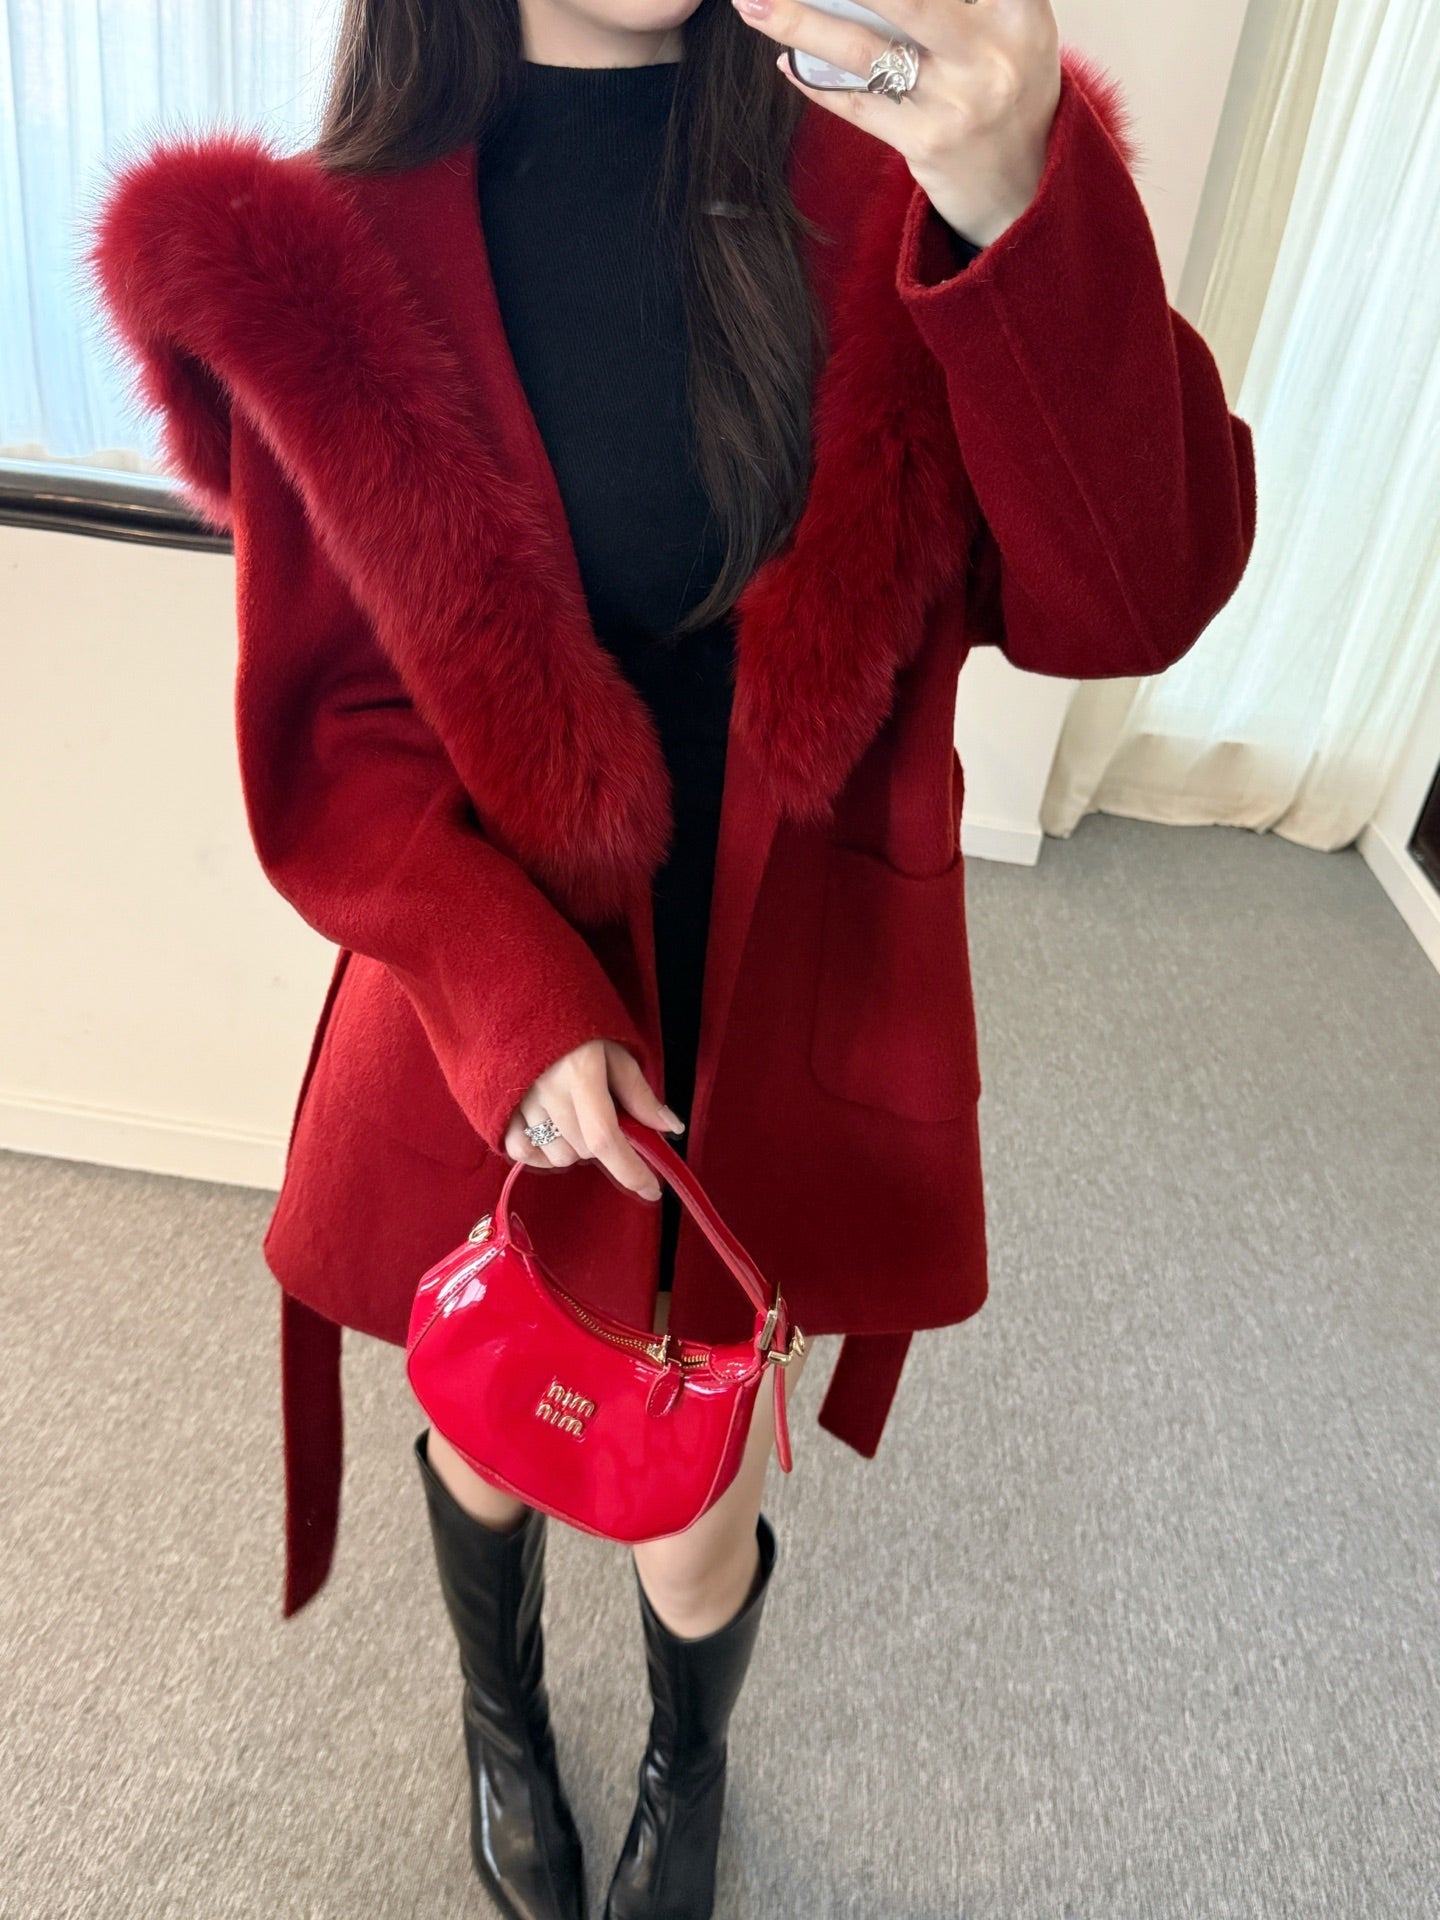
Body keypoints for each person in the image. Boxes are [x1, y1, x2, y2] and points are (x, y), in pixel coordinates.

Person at [89, 0, 1257, 1911]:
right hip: (498, 1003)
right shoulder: (327, 256)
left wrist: (1015, 194)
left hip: (774, 1008)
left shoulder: (899, 183)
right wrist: (514, 1007)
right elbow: (339, 741)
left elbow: (1133, 596)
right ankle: (500, 1719)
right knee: (489, 1409)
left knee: (695, 1489)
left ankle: (683, 1762)